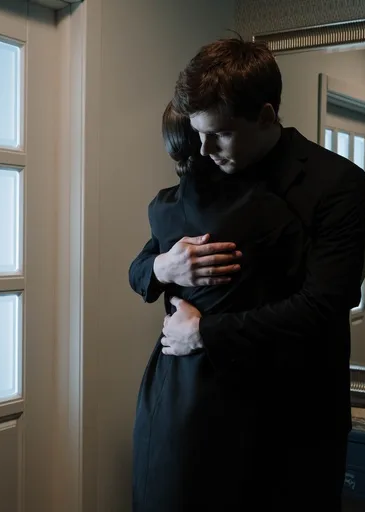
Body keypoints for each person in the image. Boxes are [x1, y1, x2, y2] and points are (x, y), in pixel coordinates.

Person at [130, 37, 365, 510]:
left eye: (219, 133)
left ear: (265, 116)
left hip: (295, 418)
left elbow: (325, 303)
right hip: (204, 415)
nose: (203, 149)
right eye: (198, 133)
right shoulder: (205, 167)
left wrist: (205, 333)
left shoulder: (336, 183)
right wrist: (164, 265)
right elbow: (141, 267)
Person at [130, 102, 306, 511]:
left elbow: (136, 272)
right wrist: (164, 265)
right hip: (236, 383)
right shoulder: (270, 210)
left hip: (172, 385)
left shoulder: (163, 207)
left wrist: (158, 267)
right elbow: (311, 300)